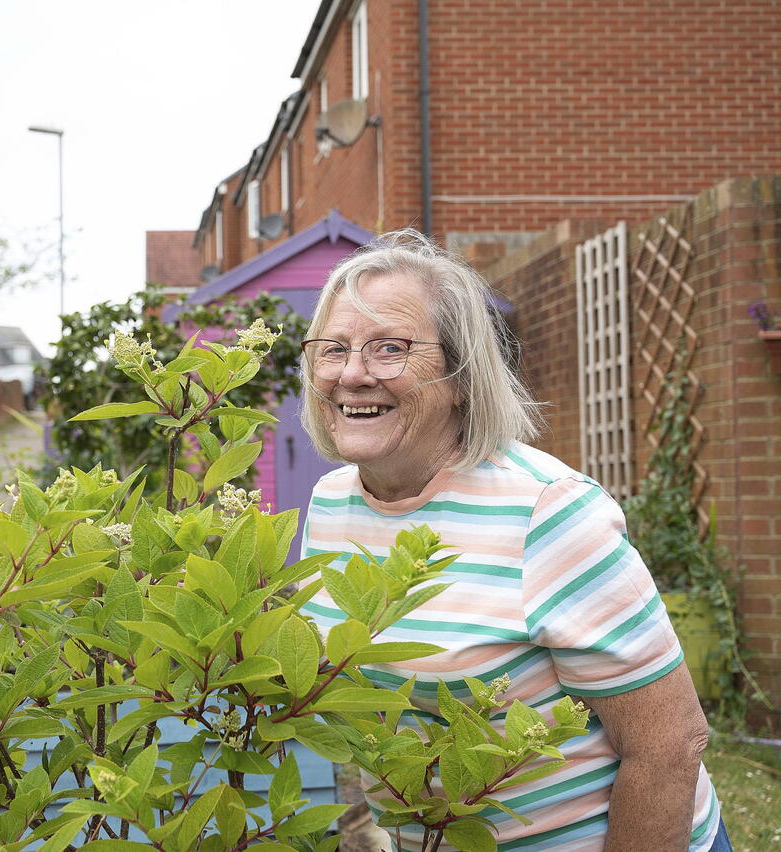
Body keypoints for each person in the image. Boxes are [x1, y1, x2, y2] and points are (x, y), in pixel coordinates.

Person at [297, 230, 730, 852]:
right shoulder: (331, 504)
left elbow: (669, 744)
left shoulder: (548, 512)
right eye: (333, 349)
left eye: (390, 348)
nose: (353, 374)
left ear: (461, 375)